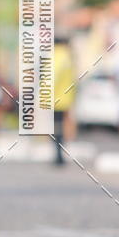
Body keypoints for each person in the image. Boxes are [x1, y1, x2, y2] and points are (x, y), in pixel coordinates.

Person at [52, 35, 76, 166]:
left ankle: (58, 155)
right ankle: (59, 154)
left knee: (57, 128)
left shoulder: (57, 57)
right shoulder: (68, 57)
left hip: (55, 99)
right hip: (65, 99)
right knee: (61, 127)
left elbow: (52, 78)